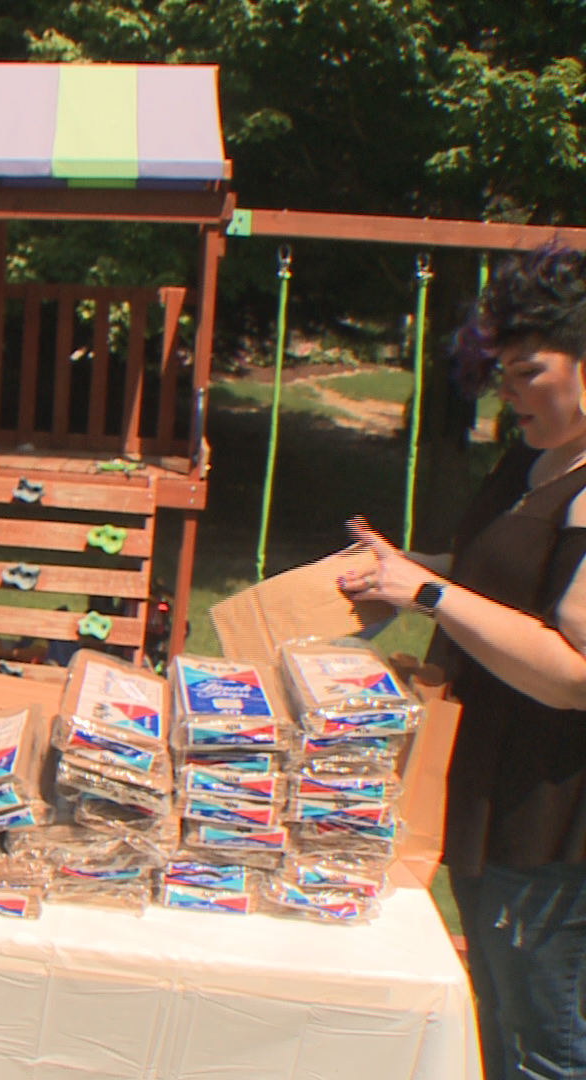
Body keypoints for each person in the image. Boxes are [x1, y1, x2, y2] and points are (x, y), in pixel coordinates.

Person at [340, 243, 586, 1080]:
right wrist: (404, 574)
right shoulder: (530, 459)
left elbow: (572, 671)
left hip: (550, 808)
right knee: (494, 1015)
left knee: (544, 1040)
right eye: (503, 373)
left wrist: (430, 595)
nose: (507, 391)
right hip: (483, 777)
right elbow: (505, 586)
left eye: (530, 371)